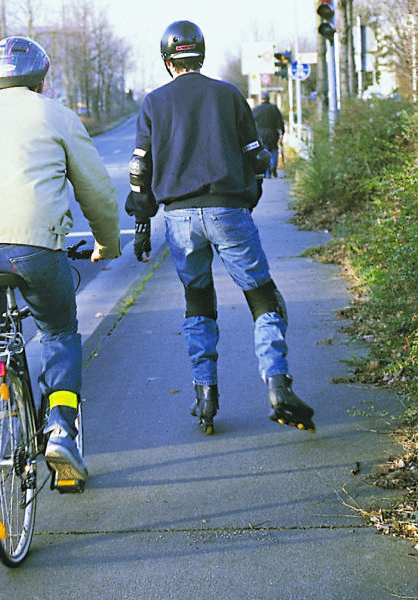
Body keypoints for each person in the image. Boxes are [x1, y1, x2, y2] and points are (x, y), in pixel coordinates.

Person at [0, 36, 121, 489]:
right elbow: (96, 191)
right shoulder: (55, 116)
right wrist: (106, 244)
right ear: (41, 78)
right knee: (58, 332)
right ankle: (61, 429)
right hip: (35, 249)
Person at [125, 20, 314, 435]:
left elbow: (140, 167)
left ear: (167, 59)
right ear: (201, 54)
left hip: (178, 219)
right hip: (228, 210)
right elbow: (256, 156)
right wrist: (254, 185)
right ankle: (278, 385)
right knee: (262, 295)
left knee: (198, 302)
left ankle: (205, 395)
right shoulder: (227, 95)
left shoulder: (154, 102)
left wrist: (142, 222)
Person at [252, 91, 284, 178]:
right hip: (273, 132)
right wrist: (282, 132)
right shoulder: (274, 108)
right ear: (269, 98)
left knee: (264, 151)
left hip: (261, 133)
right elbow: (280, 121)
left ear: (261, 99)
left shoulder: (256, 109)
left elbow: (250, 122)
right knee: (274, 149)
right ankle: (274, 165)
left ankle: (267, 172)